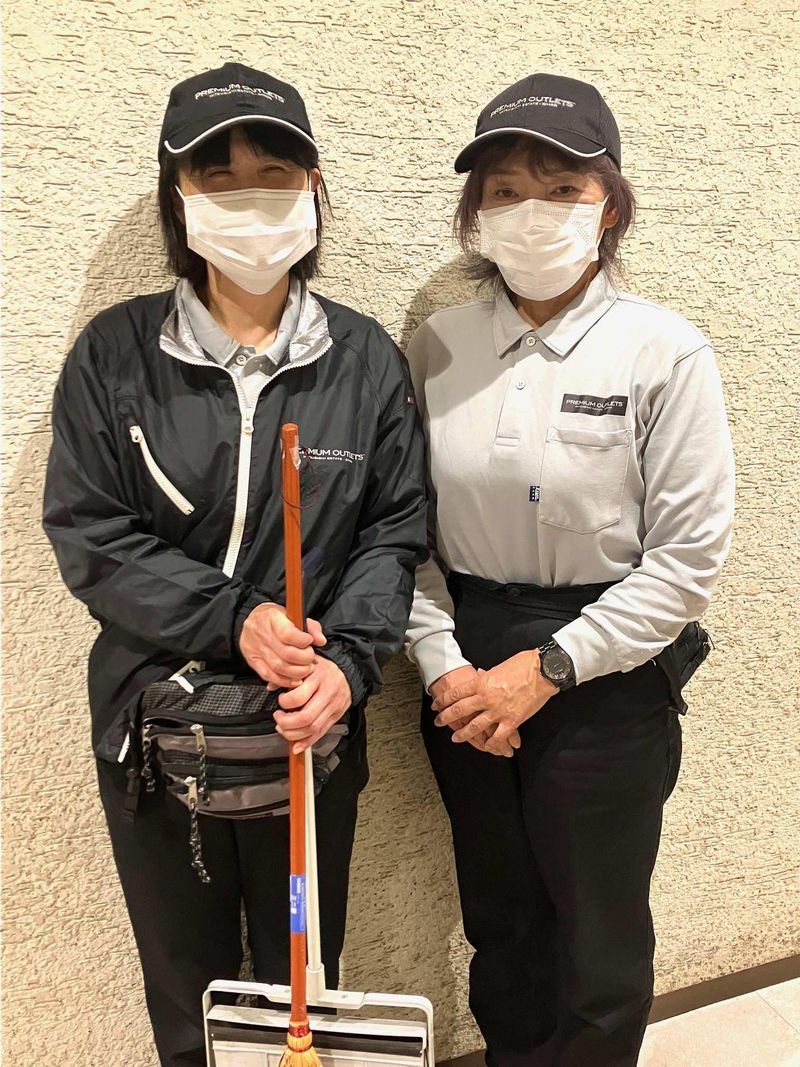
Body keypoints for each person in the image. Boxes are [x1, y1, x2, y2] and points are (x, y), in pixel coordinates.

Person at [42, 62, 426, 1067]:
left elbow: (393, 529)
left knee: (303, 977)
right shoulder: (114, 355)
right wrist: (234, 617)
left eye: (274, 173)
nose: (249, 197)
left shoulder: (364, 360)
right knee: (192, 994)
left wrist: (348, 661)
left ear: (313, 188)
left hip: (308, 729)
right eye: (218, 176)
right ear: (178, 198)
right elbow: (89, 531)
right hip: (156, 731)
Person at [404, 73, 735, 1067]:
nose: (530, 210)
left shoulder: (663, 351)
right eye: (504, 190)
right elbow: (402, 531)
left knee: (597, 938)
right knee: (500, 919)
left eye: (561, 187)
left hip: (607, 669)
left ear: (609, 205)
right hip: (464, 660)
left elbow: (685, 562)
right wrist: (445, 670)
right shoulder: (437, 347)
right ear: (475, 212)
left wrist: (547, 668)